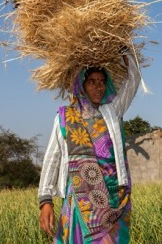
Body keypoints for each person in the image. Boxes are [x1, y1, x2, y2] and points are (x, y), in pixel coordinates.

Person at [38, 52, 140, 243]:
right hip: (80, 199)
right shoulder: (65, 117)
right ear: (81, 85)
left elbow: (133, 81)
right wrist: (45, 200)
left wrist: (125, 52)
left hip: (113, 198)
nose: (98, 86)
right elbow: (52, 158)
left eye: (102, 81)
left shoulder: (112, 110)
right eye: (92, 81)